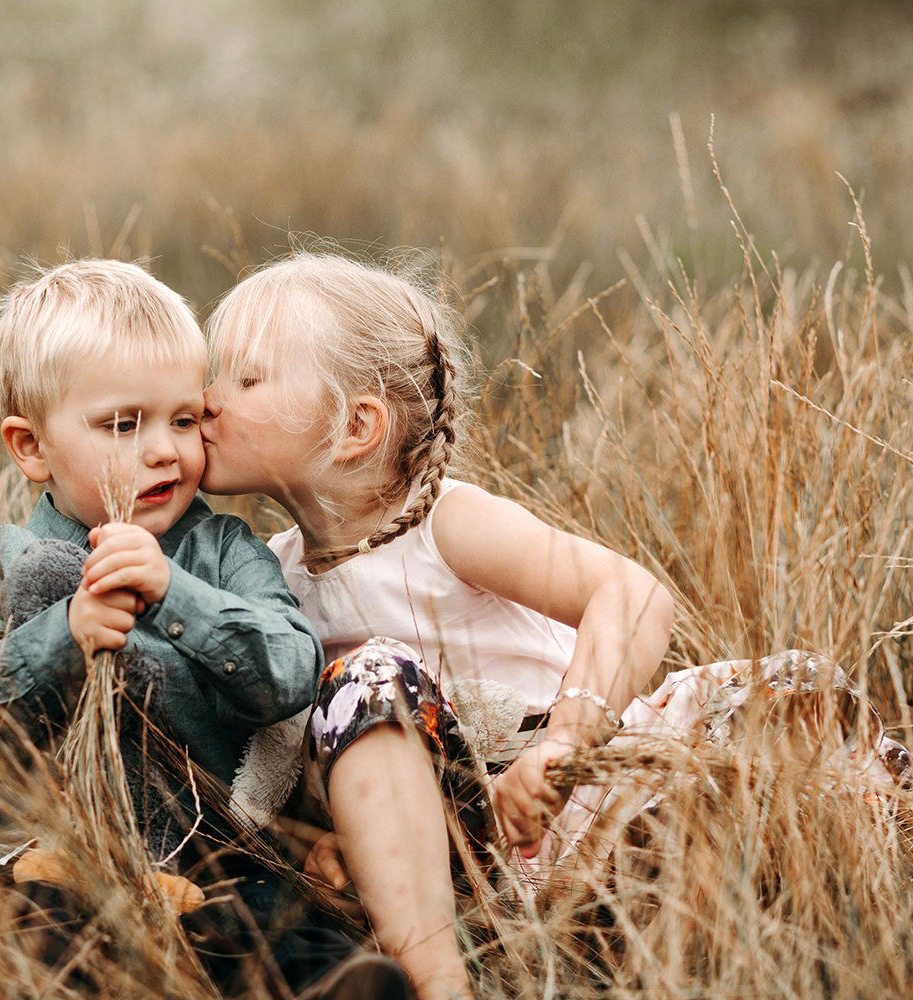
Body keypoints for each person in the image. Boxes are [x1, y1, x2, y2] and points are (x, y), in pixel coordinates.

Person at [0, 258, 416, 1000]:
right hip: (47, 853)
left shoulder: (227, 552)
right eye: (123, 425)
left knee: (294, 933)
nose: (165, 449)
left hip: (213, 851)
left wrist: (174, 595)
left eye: (185, 419)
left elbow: (292, 673)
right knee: (40, 931)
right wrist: (65, 637)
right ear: (30, 446)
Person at [199, 250, 676, 1000]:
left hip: (569, 799)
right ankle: (434, 985)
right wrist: (328, 835)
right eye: (210, 375)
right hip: (461, 857)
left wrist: (564, 745)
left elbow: (630, 594)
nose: (207, 401)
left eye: (246, 379)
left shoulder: (445, 524)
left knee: (368, 677)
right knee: (356, 690)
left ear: (356, 425)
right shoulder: (269, 576)